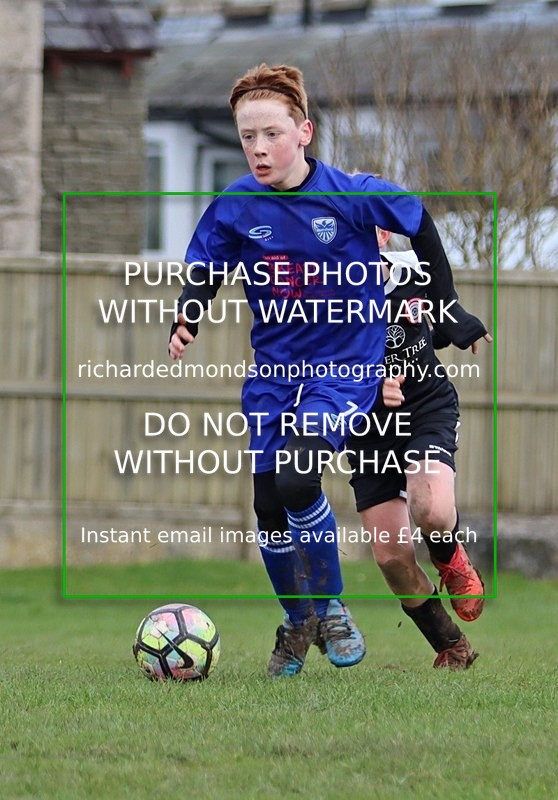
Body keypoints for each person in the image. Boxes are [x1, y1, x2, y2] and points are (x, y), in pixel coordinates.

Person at [168, 63, 487, 677]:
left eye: (272, 134)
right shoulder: (237, 205)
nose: (259, 148)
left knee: (296, 480)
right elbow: (206, 263)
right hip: (275, 374)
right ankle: (298, 620)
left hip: (345, 370)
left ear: (305, 131)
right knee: (268, 504)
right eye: (246, 137)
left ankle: (333, 607)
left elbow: (420, 221)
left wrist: (447, 307)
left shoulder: (350, 195)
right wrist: (188, 314)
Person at [346, 228, 491, 669]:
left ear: (384, 233)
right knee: (392, 557)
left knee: (432, 510)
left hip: (425, 407)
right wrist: (371, 388)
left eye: (364, 222)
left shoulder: (413, 268)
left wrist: (460, 327)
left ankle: (450, 558)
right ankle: (450, 644)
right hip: (367, 426)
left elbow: (440, 319)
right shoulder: (326, 291)